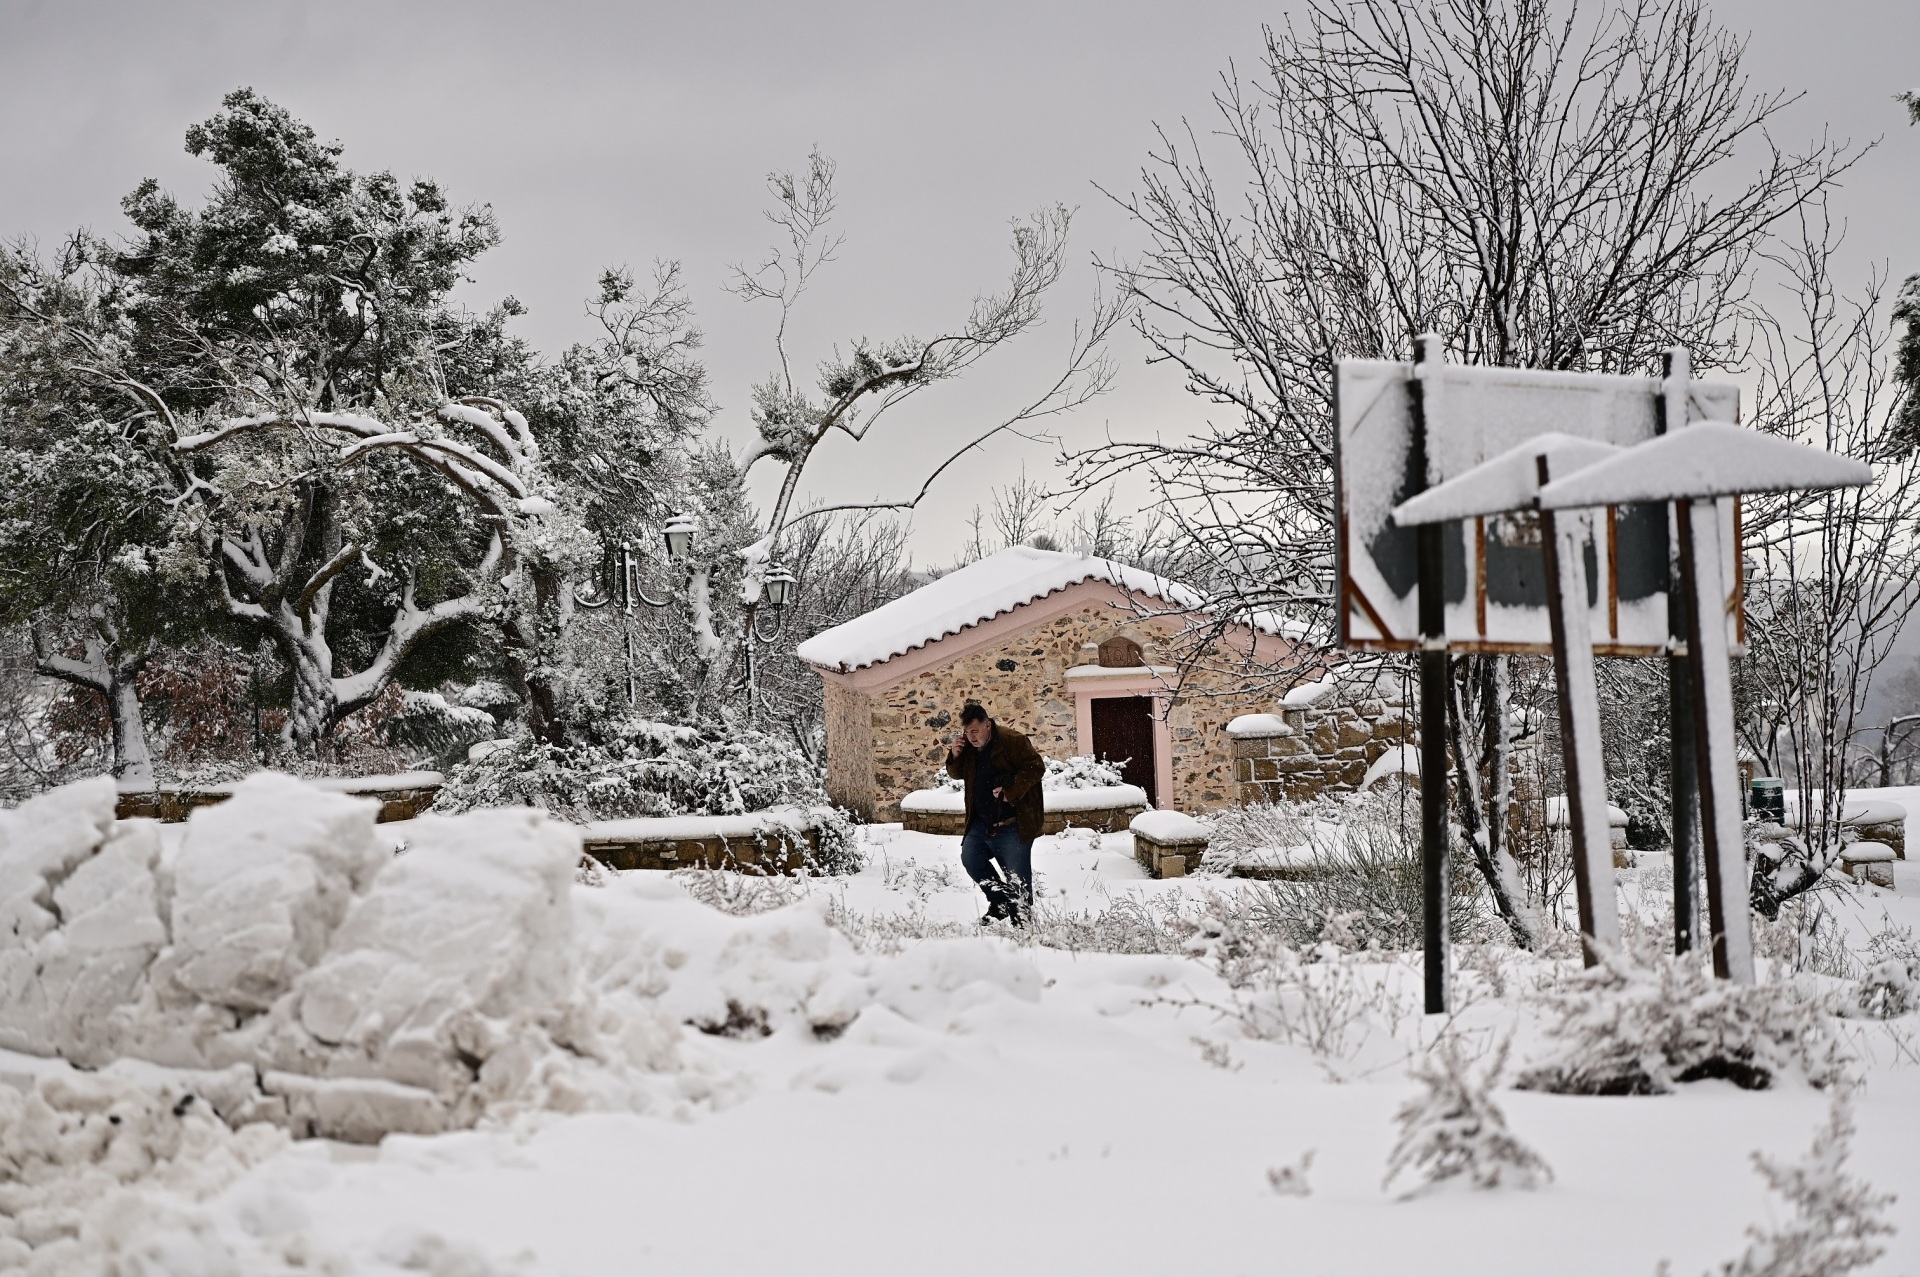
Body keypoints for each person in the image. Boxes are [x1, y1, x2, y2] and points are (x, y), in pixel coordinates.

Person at [945, 701, 1046, 925]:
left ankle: (1022, 924)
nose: (971, 737)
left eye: (975, 731)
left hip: (1013, 823)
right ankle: (998, 901)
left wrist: (1010, 792)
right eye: (967, 731)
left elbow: (1036, 767)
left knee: (1017, 880)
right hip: (982, 823)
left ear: (987, 725)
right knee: (971, 858)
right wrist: (954, 755)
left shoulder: (1013, 741)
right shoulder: (969, 747)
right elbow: (957, 773)